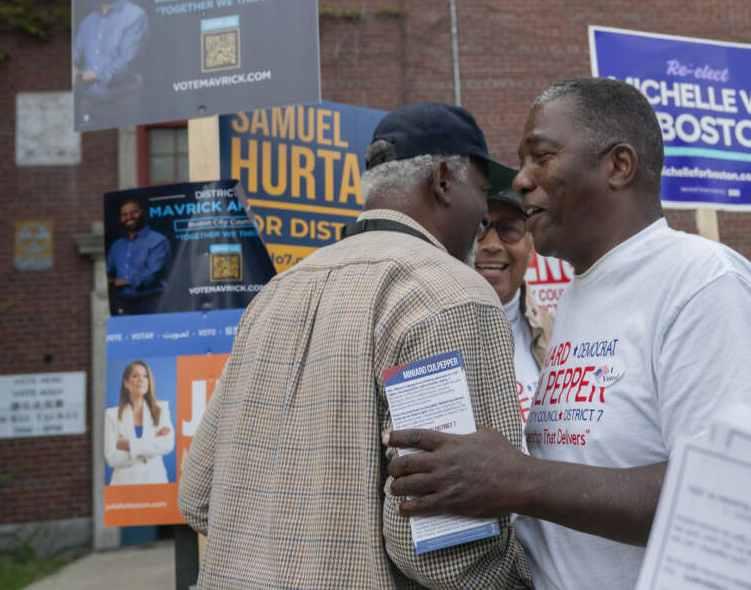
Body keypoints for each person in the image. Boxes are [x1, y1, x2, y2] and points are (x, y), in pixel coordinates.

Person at [386, 78, 751, 589]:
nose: (519, 180)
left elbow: (738, 496)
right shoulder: (584, 293)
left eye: (541, 156)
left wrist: (514, 479)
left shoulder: (705, 286)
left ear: (619, 166)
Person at [178, 103, 532, 588]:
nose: (484, 219)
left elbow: (198, 495)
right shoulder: (449, 294)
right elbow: (446, 552)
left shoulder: (274, 295)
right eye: (481, 191)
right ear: (444, 179)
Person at [474, 188, 553, 434]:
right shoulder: (430, 335)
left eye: (509, 229)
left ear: (531, 247)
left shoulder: (555, 332)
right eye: (479, 228)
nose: (492, 245)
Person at [73, 0, 148, 127]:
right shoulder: (88, 22)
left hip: (124, 104)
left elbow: (127, 63)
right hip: (89, 103)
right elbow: (75, 52)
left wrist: (84, 75)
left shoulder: (135, 16)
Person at [104, 360, 174, 485]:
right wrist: (152, 443)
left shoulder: (161, 409)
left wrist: (130, 445)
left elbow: (167, 444)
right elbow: (112, 458)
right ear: (126, 383)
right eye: (135, 376)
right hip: (124, 486)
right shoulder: (111, 415)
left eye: (145, 376)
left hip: (156, 482)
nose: (141, 379)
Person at [106, 198, 171, 315]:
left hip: (152, 303)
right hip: (122, 304)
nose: (129, 217)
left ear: (143, 213)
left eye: (134, 212)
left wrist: (120, 282)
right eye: (124, 215)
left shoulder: (158, 240)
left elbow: (152, 275)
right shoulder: (116, 246)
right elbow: (106, 271)